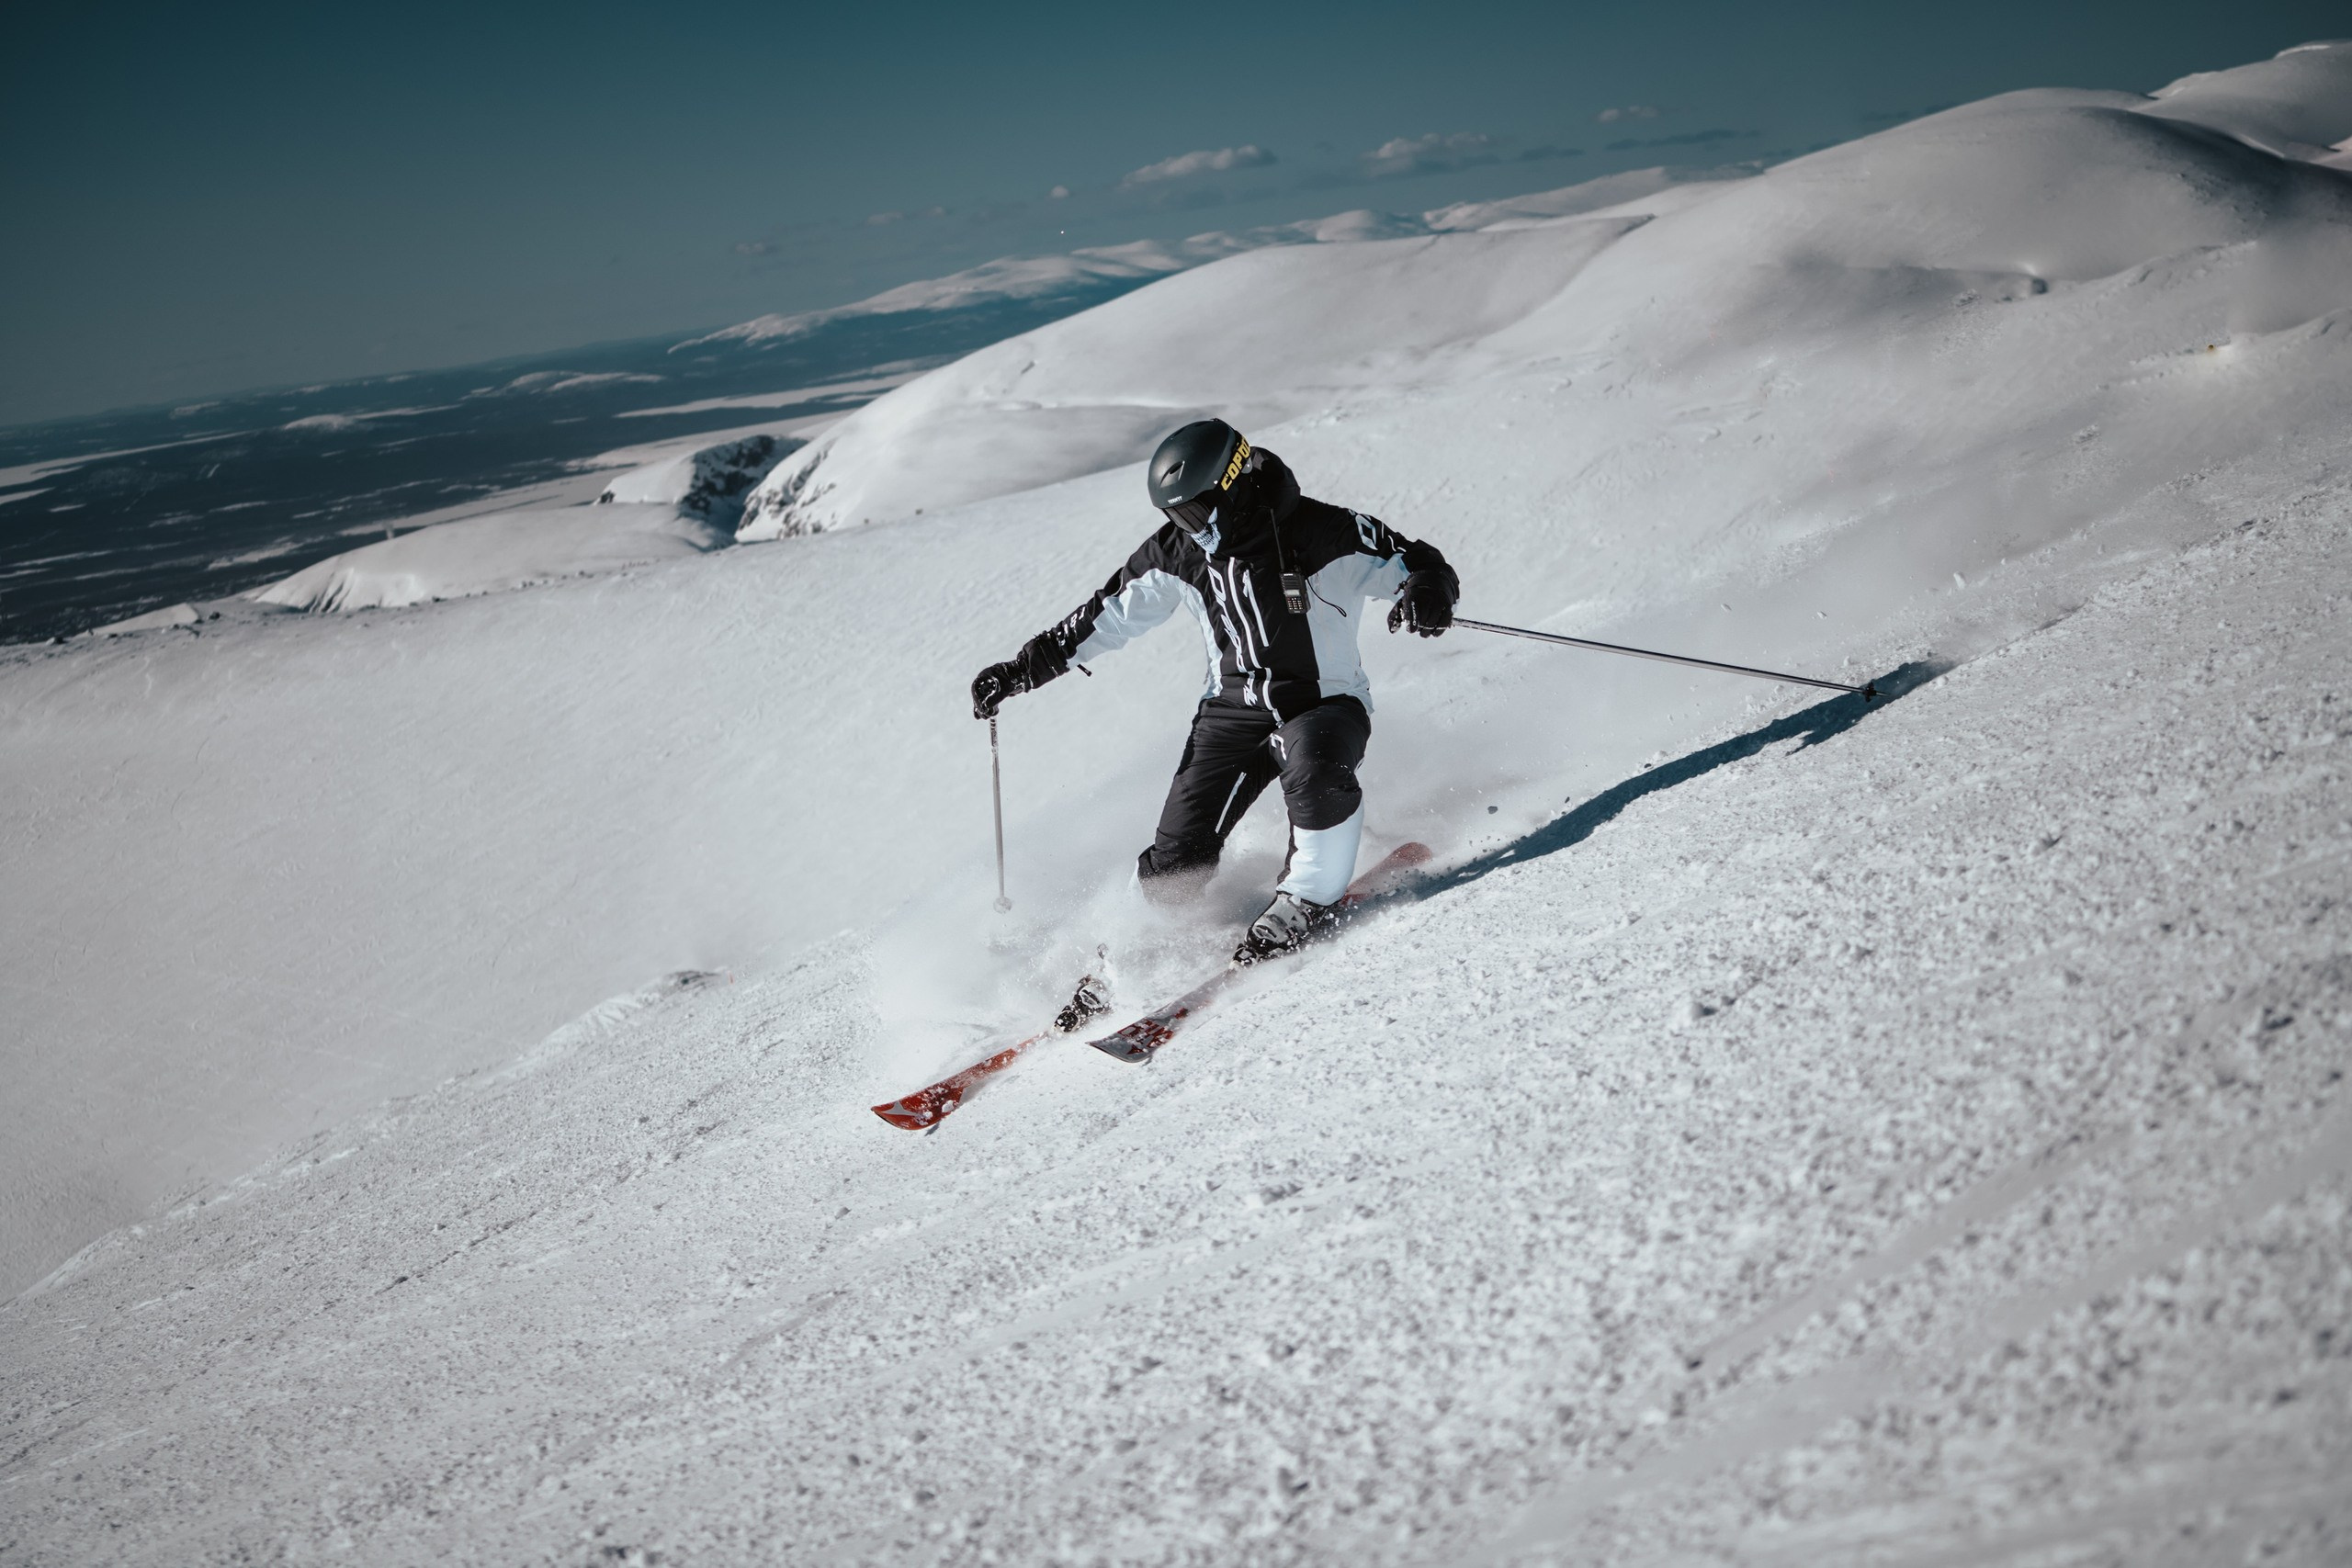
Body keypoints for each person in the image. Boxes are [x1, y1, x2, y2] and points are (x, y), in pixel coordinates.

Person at [970, 418, 1458, 964]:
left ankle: (1306, 898)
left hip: (1324, 702)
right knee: (1177, 857)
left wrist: (1426, 590)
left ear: (1234, 481)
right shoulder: (1178, 552)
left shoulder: (1324, 530)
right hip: (1231, 712)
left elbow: (1412, 561)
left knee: (1317, 774)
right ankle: (1137, 938)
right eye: (1175, 515)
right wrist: (1021, 670)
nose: (1190, 526)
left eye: (1196, 511)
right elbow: (1105, 615)